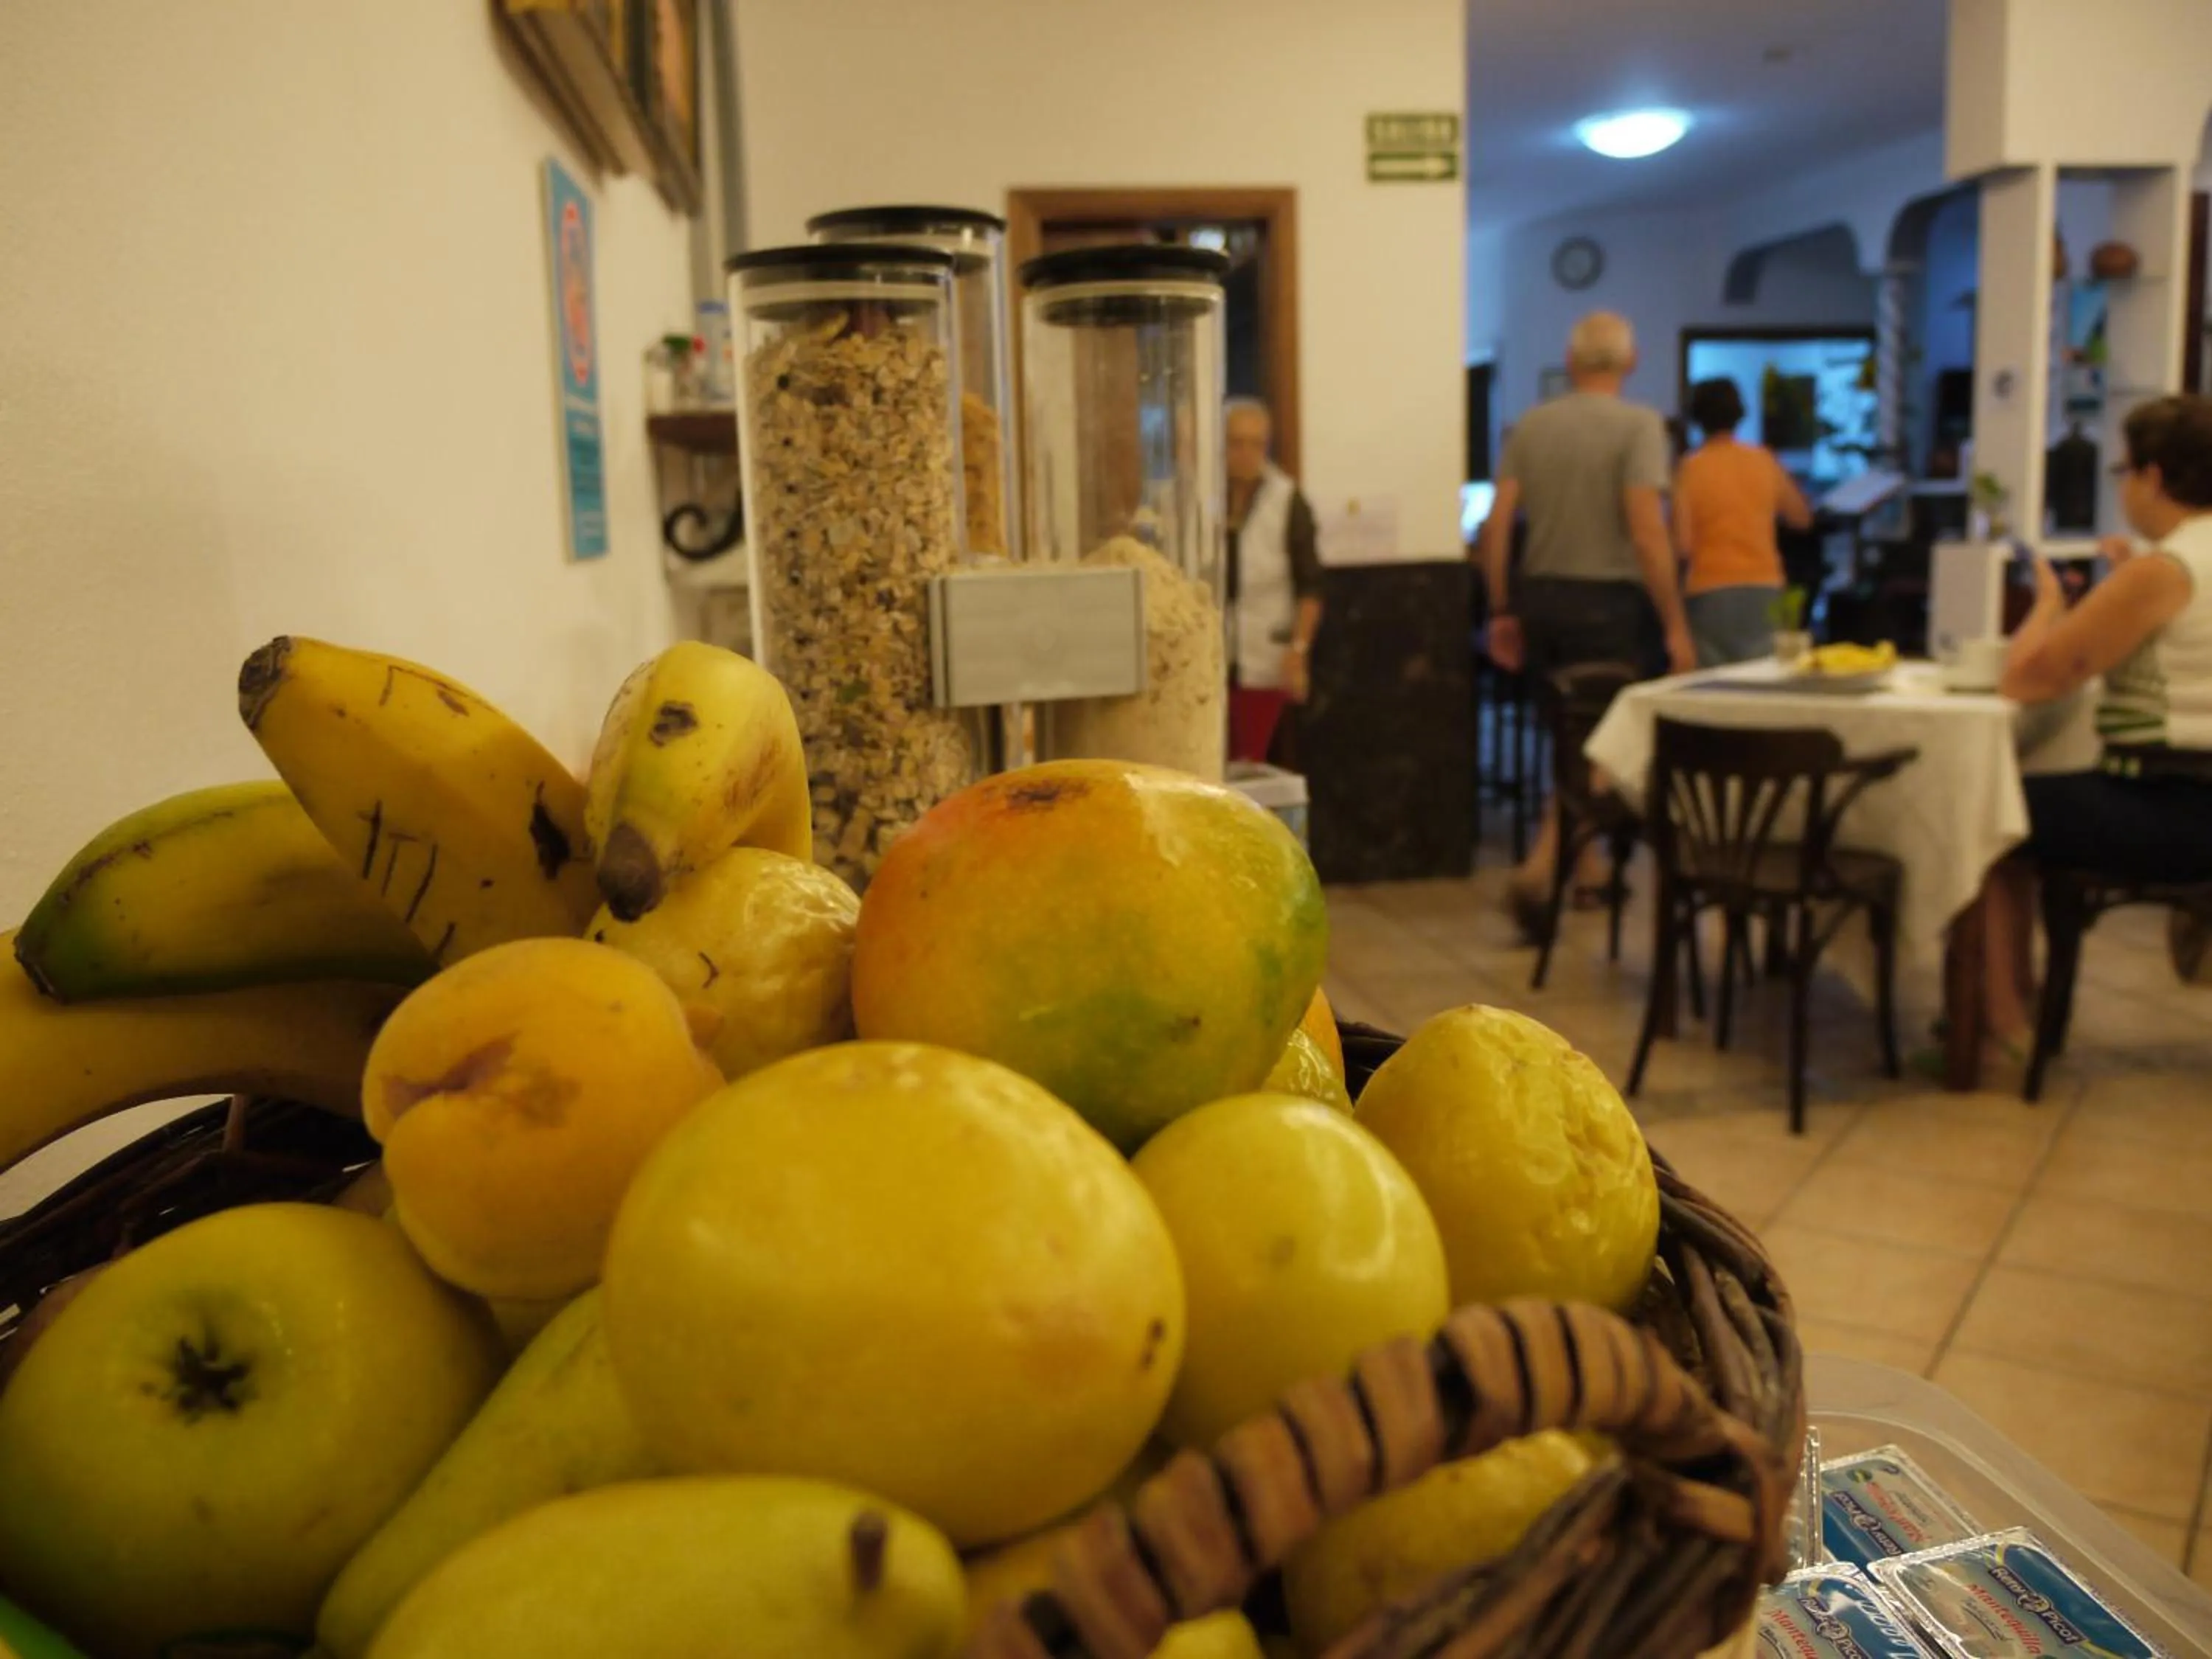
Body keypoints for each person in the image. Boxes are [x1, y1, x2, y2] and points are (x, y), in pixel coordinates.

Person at [1973, 393, 2212, 1057]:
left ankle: (2004, 1023)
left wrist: (2049, 602)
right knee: (2030, 798)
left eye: (2124, 471)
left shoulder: (2166, 569)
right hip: (2196, 796)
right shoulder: (2177, 562)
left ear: (2153, 477)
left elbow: (2028, 679)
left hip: (2178, 809)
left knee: (1991, 814)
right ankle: (2015, 1000)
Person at [1475, 312, 1697, 922]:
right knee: (1602, 740)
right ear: (1632, 362)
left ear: (1572, 362)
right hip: (1610, 605)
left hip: (1542, 599)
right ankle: (1544, 866)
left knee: (1566, 731)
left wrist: (1501, 607)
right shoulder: (1640, 425)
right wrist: (1676, 623)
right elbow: (1647, 529)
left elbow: (1497, 524)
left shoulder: (1532, 426)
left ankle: (1588, 870)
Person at [1674, 376, 1813, 665]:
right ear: (1740, 414)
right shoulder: (1763, 460)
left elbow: (1683, 544)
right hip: (1765, 586)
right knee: (1762, 677)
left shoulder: (1690, 468)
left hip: (1709, 589)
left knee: (1715, 682)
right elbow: (1801, 517)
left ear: (1696, 418)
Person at [1224, 397, 1323, 763]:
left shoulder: (1287, 500)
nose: (1246, 453)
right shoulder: (1202, 498)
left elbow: (1311, 585)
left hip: (1266, 656)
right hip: (1214, 661)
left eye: (1256, 444)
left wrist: (1298, 650)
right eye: (1236, 443)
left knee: (1254, 761)